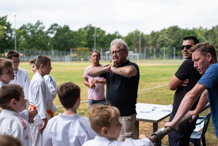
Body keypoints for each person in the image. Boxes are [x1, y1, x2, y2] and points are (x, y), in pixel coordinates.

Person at [87, 39, 140, 141]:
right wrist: (107, 69)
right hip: (110, 115)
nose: (114, 55)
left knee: (125, 142)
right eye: (112, 52)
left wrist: (112, 69)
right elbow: (90, 72)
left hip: (125, 115)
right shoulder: (109, 68)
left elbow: (129, 72)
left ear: (125, 52)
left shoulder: (133, 66)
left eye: (117, 51)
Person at [164, 42, 218, 138]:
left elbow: (191, 95)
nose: (194, 65)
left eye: (197, 60)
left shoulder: (214, 68)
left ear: (209, 57)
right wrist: (196, 111)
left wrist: (174, 122)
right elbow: (206, 92)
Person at [167, 36, 201, 146]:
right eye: (182, 47)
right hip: (189, 114)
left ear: (196, 48)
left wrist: (178, 83)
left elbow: (171, 86)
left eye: (188, 47)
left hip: (181, 114)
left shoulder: (189, 63)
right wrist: (180, 82)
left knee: (177, 140)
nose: (184, 49)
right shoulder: (199, 64)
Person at [43, 81, 97, 146]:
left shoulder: (52, 123)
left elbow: (46, 143)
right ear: (78, 100)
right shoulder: (86, 124)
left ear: (60, 101)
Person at [82, 104, 153, 146]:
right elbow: (145, 144)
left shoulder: (87, 144)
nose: (121, 125)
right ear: (105, 130)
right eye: (117, 124)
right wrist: (144, 138)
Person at [0, 58, 37, 122]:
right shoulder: (3, 91)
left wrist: (27, 116)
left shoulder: (7, 85)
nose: (12, 72)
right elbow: (8, 113)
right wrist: (27, 114)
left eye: (12, 70)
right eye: (8, 72)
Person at [28, 55, 54, 146]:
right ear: (42, 66)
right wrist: (44, 119)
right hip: (39, 117)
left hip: (40, 115)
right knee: (38, 143)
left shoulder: (40, 78)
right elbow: (40, 102)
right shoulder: (39, 81)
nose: (51, 68)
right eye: (49, 66)